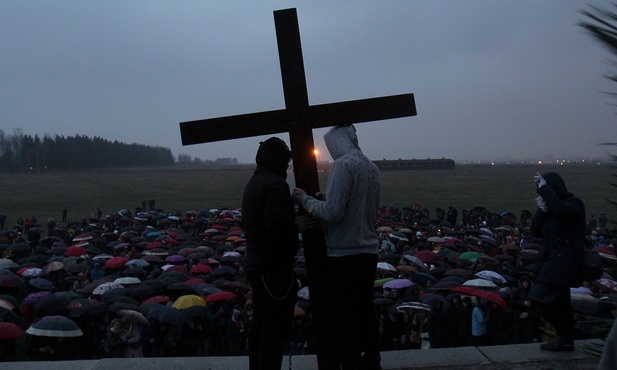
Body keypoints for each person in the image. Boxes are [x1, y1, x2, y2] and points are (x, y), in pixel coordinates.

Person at [293, 124, 382, 370]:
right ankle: (373, 361)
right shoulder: (371, 167)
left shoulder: (343, 165)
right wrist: (328, 199)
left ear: (336, 142)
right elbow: (361, 209)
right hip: (369, 250)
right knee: (365, 310)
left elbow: (333, 213)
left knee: (344, 317)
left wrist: (306, 200)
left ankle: (350, 363)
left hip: (344, 253)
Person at [242, 137, 315, 370]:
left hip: (258, 266)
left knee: (261, 327)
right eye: (285, 160)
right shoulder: (275, 185)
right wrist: (298, 225)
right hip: (274, 269)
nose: (287, 166)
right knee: (274, 332)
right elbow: (275, 227)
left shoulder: (255, 182)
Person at [529, 171, 586, 351]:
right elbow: (535, 230)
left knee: (538, 295)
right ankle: (566, 336)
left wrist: (545, 190)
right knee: (561, 301)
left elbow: (563, 213)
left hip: (565, 259)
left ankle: (565, 333)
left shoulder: (574, 204)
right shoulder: (552, 209)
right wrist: (542, 210)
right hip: (551, 257)